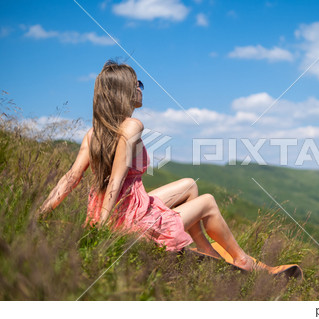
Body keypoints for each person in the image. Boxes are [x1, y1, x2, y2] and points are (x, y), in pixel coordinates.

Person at [39, 60, 257, 271]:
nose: (140, 89)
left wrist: (41, 213)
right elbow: (117, 179)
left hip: (123, 208)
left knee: (190, 185)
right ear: (124, 92)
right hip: (128, 220)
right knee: (208, 202)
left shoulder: (93, 134)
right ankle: (242, 260)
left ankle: (204, 250)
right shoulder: (132, 126)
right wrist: (102, 231)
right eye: (137, 85)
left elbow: (70, 178)